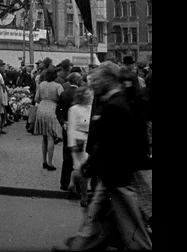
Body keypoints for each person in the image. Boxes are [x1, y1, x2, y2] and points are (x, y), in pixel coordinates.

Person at [62, 62, 151, 251]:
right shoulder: (120, 101)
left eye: (97, 80)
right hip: (112, 175)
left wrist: (84, 170)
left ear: (109, 80)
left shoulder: (114, 105)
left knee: (133, 229)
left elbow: (106, 145)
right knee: (94, 220)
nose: (93, 84)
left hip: (117, 176)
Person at [67, 83, 94, 208]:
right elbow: (71, 128)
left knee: (84, 168)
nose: (90, 97)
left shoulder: (92, 108)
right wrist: (71, 144)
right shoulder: (74, 109)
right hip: (78, 139)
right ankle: (84, 196)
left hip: (89, 139)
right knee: (81, 168)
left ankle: (73, 182)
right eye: (88, 95)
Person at [34, 66, 64, 171]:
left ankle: (44, 161)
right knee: (51, 136)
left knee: (44, 136)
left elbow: (36, 98)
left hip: (41, 108)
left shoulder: (41, 84)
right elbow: (62, 98)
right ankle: (50, 163)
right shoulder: (58, 86)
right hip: (52, 109)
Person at [57, 73, 83, 193]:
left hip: (67, 127)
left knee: (66, 155)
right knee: (78, 157)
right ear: (78, 81)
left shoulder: (64, 93)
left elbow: (58, 111)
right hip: (78, 128)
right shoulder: (81, 94)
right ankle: (78, 184)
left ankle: (64, 182)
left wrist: (63, 122)